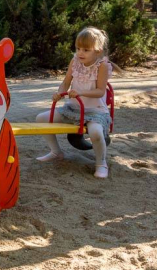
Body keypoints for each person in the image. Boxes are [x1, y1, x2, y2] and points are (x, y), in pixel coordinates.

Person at [34, 27, 115, 179]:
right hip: (73, 109)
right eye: (78, 48)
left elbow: (100, 91)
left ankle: (101, 163)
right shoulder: (75, 61)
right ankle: (56, 152)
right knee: (41, 119)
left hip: (95, 111)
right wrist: (60, 93)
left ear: (97, 50)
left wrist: (81, 93)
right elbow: (66, 82)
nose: (80, 53)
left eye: (86, 49)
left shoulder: (102, 65)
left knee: (96, 133)